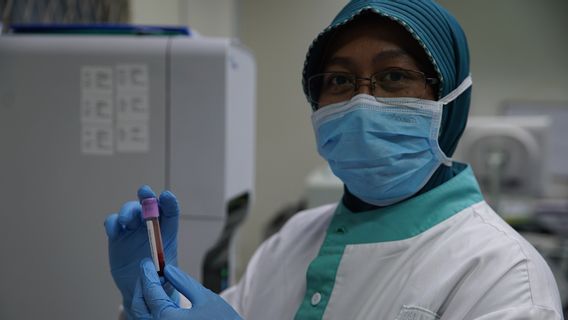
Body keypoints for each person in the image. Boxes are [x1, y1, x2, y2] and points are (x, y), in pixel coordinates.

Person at [104, 0, 564, 319]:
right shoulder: (294, 240)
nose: (363, 102)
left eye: (394, 76)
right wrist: (149, 294)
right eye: (340, 81)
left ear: (451, 102)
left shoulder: (503, 277)